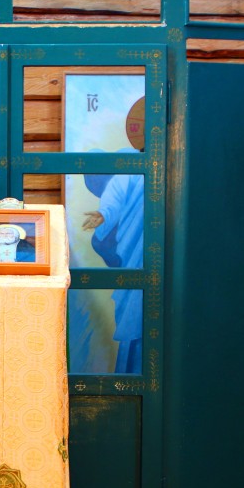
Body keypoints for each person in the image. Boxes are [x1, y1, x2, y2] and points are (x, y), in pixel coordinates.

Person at [81, 160, 145, 374]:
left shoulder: (137, 164)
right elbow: (114, 198)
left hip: (150, 250)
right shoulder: (128, 169)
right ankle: (132, 378)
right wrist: (104, 214)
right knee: (133, 310)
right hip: (134, 255)